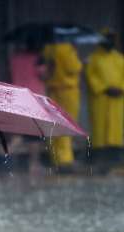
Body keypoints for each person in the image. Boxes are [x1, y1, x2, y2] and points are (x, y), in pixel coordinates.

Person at [85, 29, 124, 171]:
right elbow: (90, 76)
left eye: (112, 39)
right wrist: (104, 88)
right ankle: (98, 156)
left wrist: (122, 88)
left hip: (116, 99)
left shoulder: (120, 58)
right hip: (101, 98)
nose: (110, 42)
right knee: (100, 127)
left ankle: (114, 156)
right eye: (107, 38)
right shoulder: (93, 58)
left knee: (115, 128)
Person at [42, 40, 83, 171]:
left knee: (54, 124)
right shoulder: (67, 49)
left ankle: (55, 158)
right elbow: (74, 67)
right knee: (67, 123)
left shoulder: (48, 48)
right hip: (67, 91)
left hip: (52, 90)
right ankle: (66, 160)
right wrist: (75, 53)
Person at [9, 38, 48, 175]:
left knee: (19, 133)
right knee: (34, 135)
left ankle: (7, 160)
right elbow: (44, 75)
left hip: (18, 97)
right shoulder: (38, 59)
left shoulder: (15, 58)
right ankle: (34, 165)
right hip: (34, 99)